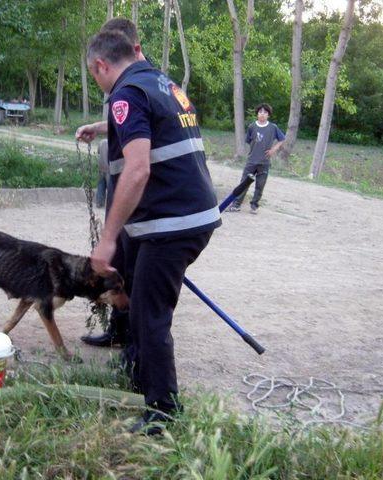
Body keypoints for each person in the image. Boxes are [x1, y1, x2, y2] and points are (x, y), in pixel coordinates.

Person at [78, 30, 222, 435]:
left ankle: (163, 411)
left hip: (170, 224)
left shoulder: (125, 94)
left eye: (95, 76)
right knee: (134, 293)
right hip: (186, 215)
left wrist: (107, 238)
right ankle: (136, 372)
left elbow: (138, 168)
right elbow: (151, 127)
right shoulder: (162, 83)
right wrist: (101, 126)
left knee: (149, 313)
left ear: (101, 66)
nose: (100, 84)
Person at [79, 18, 147, 348]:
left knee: (134, 275)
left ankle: (135, 346)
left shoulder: (137, 85)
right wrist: (99, 125)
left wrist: (107, 235)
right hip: (128, 198)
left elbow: (140, 158)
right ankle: (119, 334)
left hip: (140, 202)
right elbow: (135, 124)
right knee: (118, 265)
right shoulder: (137, 84)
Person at [230, 104, 285, 214]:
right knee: (244, 183)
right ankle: (236, 205)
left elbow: (282, 139)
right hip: (251, 161)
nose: (262, 114)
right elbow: (249, 140)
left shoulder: (273, 127)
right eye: (260, 112)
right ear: (257, 114)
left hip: (264, 162)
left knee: (260, 185)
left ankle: (254, 205)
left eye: (265, 112)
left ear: (268, 115)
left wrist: (273, 150)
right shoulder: (252, 126)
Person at [95, 139, 110, 208]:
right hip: (109, 169)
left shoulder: (101, 142)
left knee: (101, 186)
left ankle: (99, 203)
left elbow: (98, 153)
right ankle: (111, 204)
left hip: (101, 168)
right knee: (111, 187)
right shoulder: (112, 143)